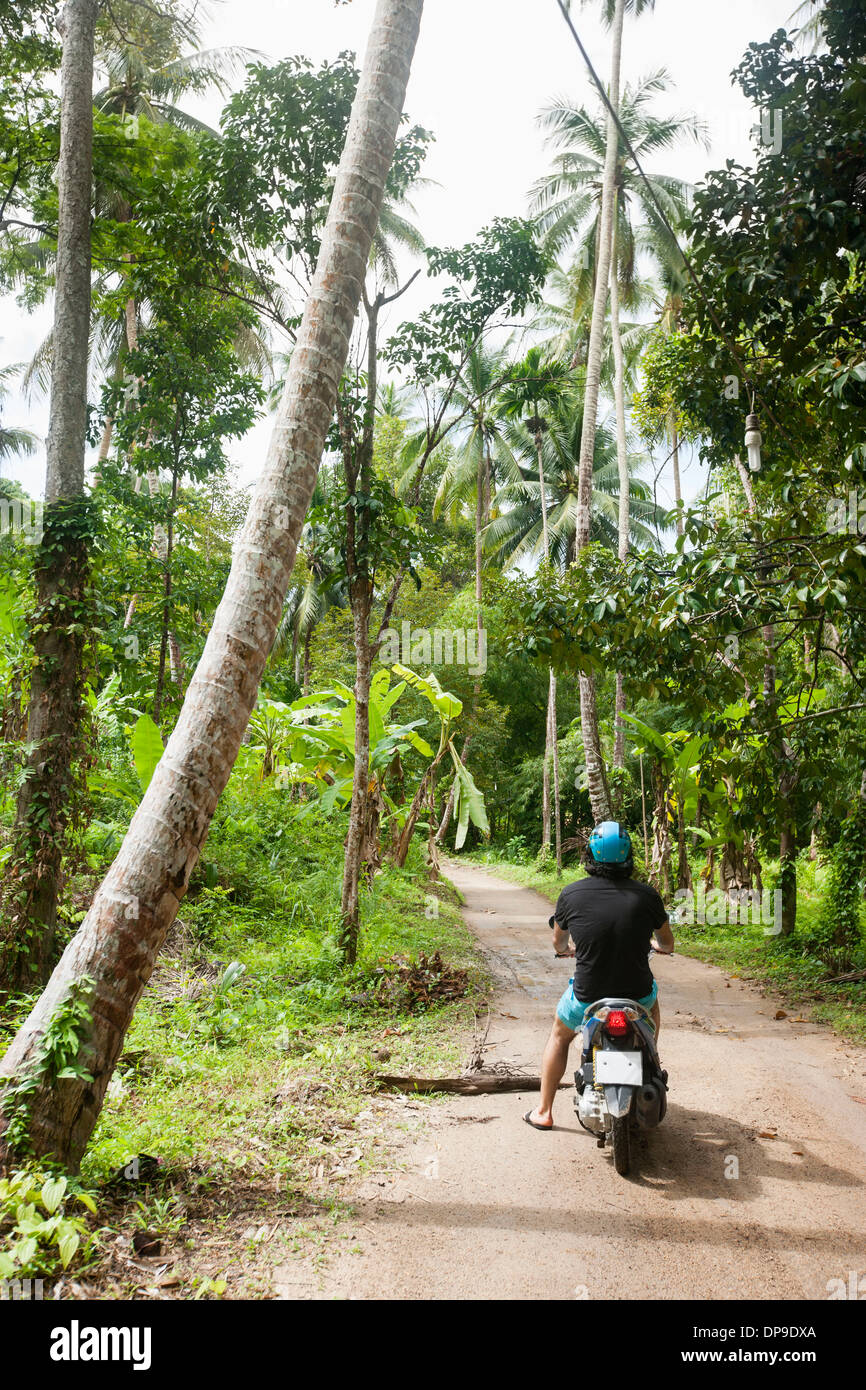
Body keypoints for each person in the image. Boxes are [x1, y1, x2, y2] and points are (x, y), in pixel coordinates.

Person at [524, 820, 675, 1131]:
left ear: (590, 856)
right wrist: (653, 945)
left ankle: (543, 1111)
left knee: (559, 1035)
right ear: (629, 855)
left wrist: (570, 950)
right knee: (653, 1004)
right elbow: (667, 943)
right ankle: (650, 1059)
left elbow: (559, 942)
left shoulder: (570, 894)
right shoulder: (648, 896)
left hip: (587, 997)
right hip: (637, 995)